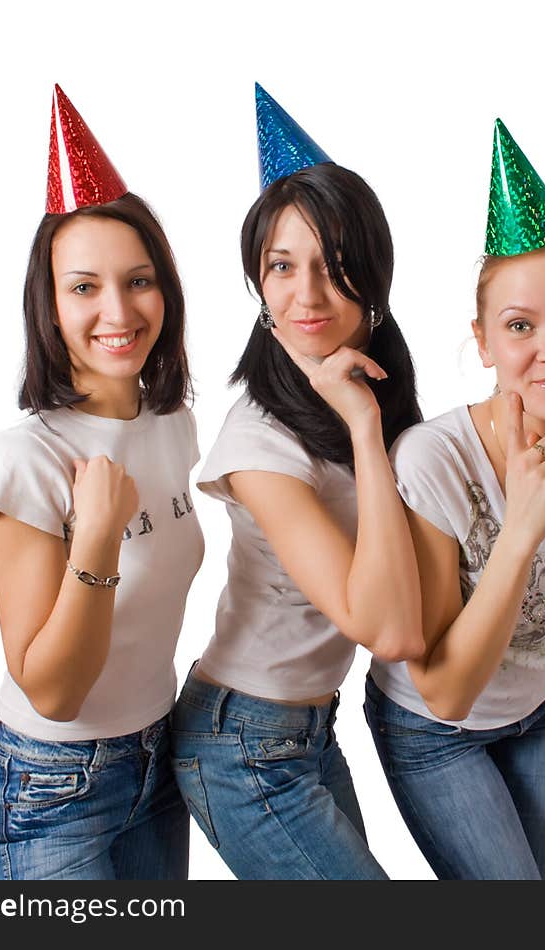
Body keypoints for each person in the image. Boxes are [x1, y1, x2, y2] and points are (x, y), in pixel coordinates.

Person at [364, 119, 545, 880]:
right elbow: (446, 688)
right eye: (521, 326)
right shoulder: (434, 460)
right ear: (484, 341)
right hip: (436, 731)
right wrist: (520, 527)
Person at [171, 84, 423, 880]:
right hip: (242, 744)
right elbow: (382, 625)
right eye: (282, 267)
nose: (306, 295)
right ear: (258, 280)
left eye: (334, 267)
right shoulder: (260, 441)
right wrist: (363, 428)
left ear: (373, 282)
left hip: (310, 729)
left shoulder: (369, 389)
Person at [0, 85, 203, 880]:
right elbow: (55, 692)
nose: (119, 310)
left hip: (159, 760)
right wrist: (96, 536)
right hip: (51, 786)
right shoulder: (24, 460)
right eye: (84, 287)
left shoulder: (173, 421)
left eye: (139, 281)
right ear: (50, 304)